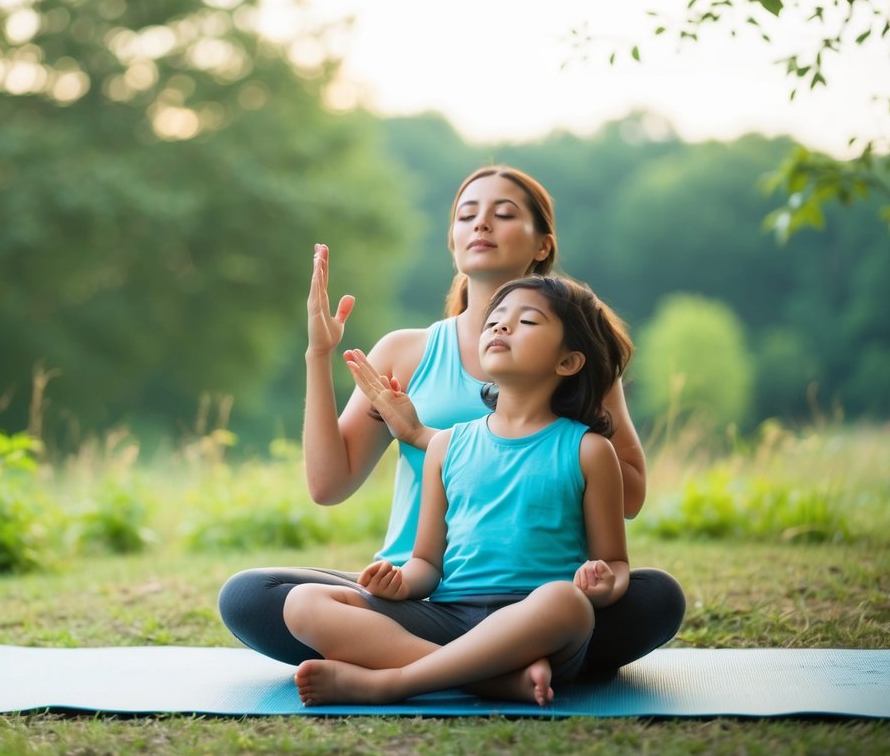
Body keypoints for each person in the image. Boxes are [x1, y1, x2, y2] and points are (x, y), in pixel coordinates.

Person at [218, 165, 683, 674]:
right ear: (452, 240)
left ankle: (418, 666)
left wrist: (429, 433)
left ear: (543, 245)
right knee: (252, 595)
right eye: (467, 215)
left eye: (503, 214)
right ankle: (493, 674)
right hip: (418, 593)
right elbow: (329, 486)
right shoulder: (405, 351)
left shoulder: (576, 359)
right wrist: (317, 354)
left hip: (542, 593)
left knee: (655, 596)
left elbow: (629, 497)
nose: (481, 224)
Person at [285, 275, 631, 705]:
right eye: (495, 321)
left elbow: (615, 561)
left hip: (535, 626)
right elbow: (426, 563)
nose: (501, 327)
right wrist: (400, 582)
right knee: (302, 603)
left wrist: (603, 584)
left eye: (527, 321)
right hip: (450, 615)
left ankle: (391, 683)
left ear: (568, 362)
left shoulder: (590, 451)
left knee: (568, 601)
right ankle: (496, 680)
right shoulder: (446, 446)